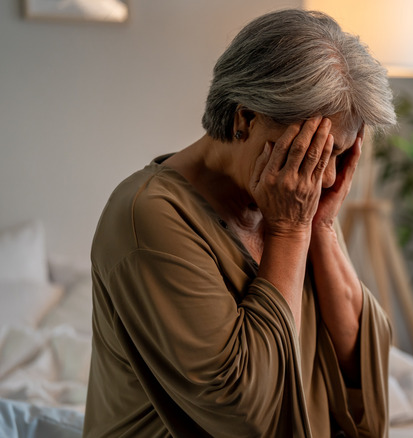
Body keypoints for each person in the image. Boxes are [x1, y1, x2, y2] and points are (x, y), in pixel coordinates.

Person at [84, 9, 396, 437]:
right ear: (245, 118)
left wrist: (320, 227)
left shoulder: (294, 195)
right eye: (309, 152)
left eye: (337, 155)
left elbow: (358, 371)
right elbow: (246, 413)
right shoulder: (148, 215)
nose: (324, 177)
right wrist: (289, 230)